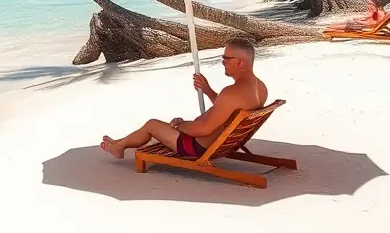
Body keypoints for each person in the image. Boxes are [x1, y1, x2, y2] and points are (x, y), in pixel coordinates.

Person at [101, 38, 268, 160]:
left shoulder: (231, 92)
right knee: (165, 126)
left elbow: (203, 130)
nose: (222, 61)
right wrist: (208, 90)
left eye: (226, 58)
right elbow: (226, 110)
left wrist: (180, 126)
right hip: (220, 142)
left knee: (152, 125)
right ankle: (119, 143)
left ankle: (119, 147)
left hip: (197, 147)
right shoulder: (260, 88)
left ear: (240, 62)